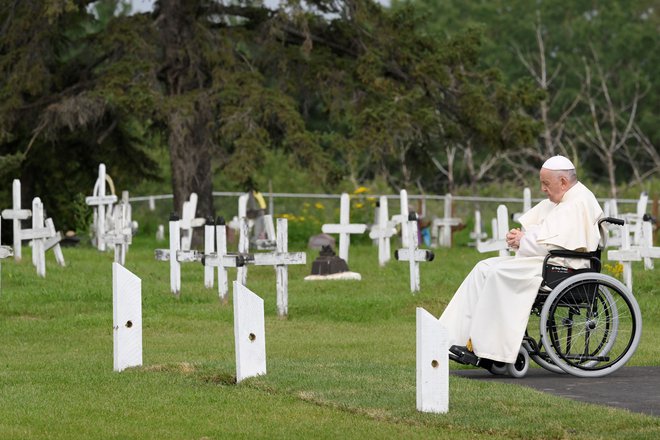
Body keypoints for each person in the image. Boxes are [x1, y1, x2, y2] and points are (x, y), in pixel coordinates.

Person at [439, 155, 603, 367]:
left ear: (563, 181)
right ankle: (448, 338)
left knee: (499, 274)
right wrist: (520, 238)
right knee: (484, 267)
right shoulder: (563, 199)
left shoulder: (578, 202)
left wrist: (524, 241)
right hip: (549, 261)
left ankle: (487, 350)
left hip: (564, 266)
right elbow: (545, 234)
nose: (543, 189)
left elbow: (558, 244)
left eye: (546, 183)